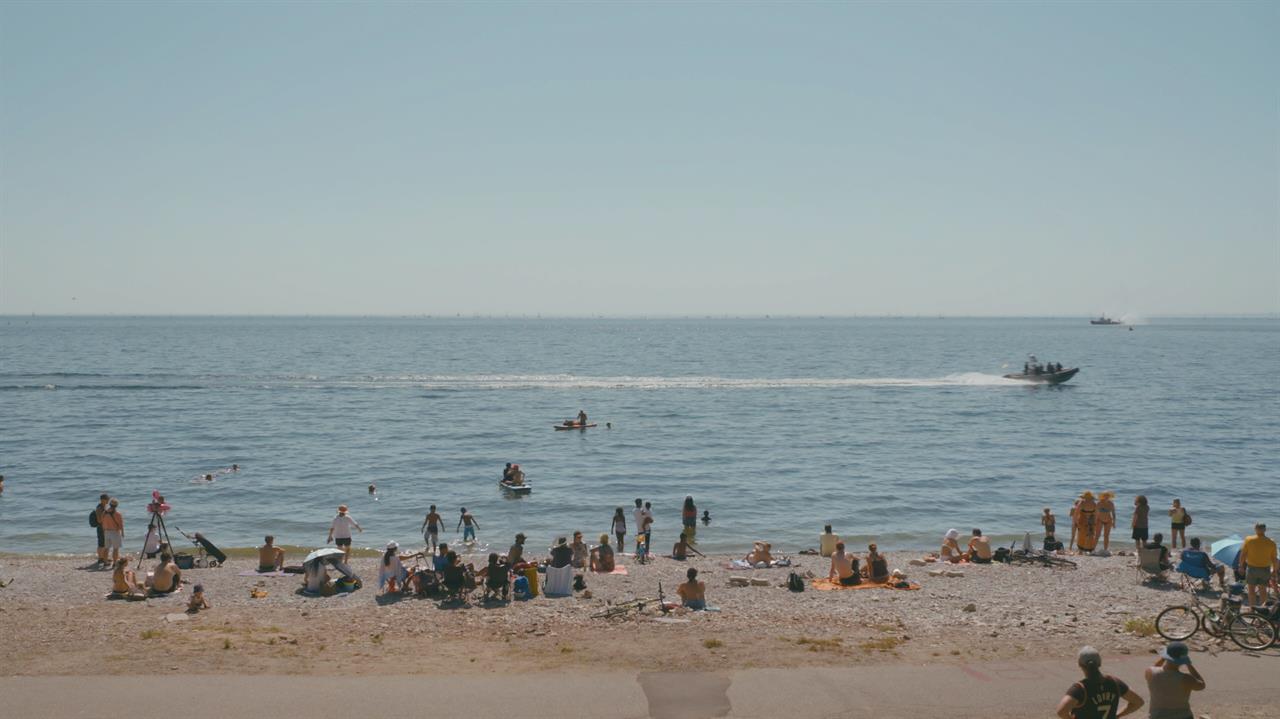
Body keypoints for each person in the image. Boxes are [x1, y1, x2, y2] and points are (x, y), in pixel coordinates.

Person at [1055, 646, 1144, 719]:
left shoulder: (1081, 688)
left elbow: (1061, 712)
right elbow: (1138, 702)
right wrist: (1117, 715)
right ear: (1100, 663)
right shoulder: (1115, 682)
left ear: (1079, 664)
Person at [1144, 642, 1204, 719]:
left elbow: (1155, 667)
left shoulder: (1150, 672)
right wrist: (1189, 665)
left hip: (1156, 716)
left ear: (1166, 656)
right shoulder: (1186, 678)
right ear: (1183, 659)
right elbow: (1201, 685)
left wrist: (1163, 658)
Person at [1238, 522, 1276, 607]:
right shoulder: (1271, 542)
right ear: (1265, 530)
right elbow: (1274, 558)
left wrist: (1241, 566)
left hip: (1252, 569)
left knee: (1251, 591)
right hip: (1265, 569)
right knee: (1263, 591)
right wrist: (1274, 570)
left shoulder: (1249, 539)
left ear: (1255, 529)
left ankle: (1252, 609)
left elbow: (1243, 554)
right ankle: (1263, 610)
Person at [99, 497, 124, 563]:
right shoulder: (118, 514)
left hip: (106, 532)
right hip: (115, 532)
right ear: (116, 505)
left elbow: (102, 522)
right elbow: (121, 525)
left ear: (110, 504)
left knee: (106, 548)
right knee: (115, 549)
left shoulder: (104, 513)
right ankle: (115, 563)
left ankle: (105, 562)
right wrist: (123, 533)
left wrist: (104, 530)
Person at [92, 493, 110, 566]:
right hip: (101, 527)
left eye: (108, 499)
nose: (108, 501)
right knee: (101, 544)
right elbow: (99, 520)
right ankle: (100, 558)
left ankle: (103, 557)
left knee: (104, 543)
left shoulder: (104, 506)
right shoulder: (99, 508)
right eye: (107, 499)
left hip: (104, 527)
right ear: (102, 500)